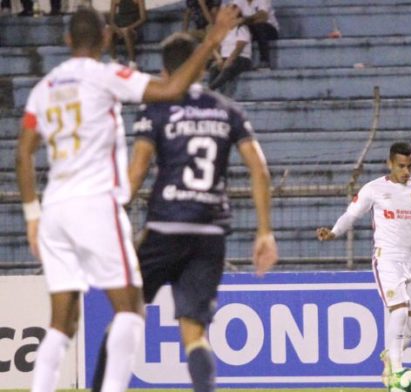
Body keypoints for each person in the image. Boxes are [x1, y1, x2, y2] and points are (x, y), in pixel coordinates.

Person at [15, 6, 239, 392]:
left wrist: (32, 215)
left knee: (61, 323)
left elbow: (22, 153)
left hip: (53, 211)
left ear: (67, 40)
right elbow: (170, 89)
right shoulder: (106, 76)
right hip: (94, 204)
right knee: (132, 310)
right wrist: (212, 40)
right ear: (105, 38)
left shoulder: (43, 87)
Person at [91, 32, 278, 392]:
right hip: (210, 233)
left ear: (164, 71)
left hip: (165, 227)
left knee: (126, 314)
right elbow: (260, 169)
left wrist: (110, 216)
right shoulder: (228, 110)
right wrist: (264, 231)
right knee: (194, 334)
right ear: (202, 63)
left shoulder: (158, 109)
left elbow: (138, 171)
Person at [316, 142, 411, 386]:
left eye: (410, 166)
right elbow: (351, 214)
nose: (406, 171)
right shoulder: (373, 189)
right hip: (388, 258)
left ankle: (390, 354)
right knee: (400, 310)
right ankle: (395, 372)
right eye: (401, 166)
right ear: (390, 164)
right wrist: (333, 232)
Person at [209, 19, 253, 93]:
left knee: (229, 67)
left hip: (241, 58)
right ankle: (213, 95)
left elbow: (239, 47)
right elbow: (215, 48)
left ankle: (210, 89)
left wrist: (229, 60)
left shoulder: (241, 28)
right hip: (225, 58)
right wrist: (219, 59)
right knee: (214, 67)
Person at [234, 0, 279, 70]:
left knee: (259, 26)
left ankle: (265, 61)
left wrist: (244, 20)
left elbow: (263, 17)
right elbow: (232, 15)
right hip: (250, 28)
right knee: (238, 29)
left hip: (269, 30)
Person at [107, 0, 147, 68]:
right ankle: (114, 59)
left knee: (126, 31)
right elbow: (111, 20)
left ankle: (132, 62)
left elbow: (143, 18)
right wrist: (117, 29)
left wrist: (130, 28)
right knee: (109, 30)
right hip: (120, 25)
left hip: (134, 26)